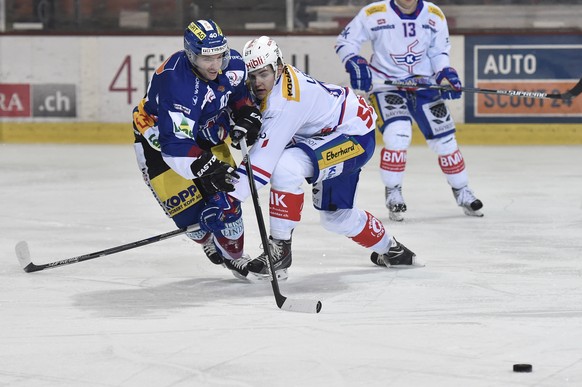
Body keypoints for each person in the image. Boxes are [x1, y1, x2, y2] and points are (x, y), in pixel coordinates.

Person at [224, 36, 422, 280]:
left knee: (285, 167)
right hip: (332, 133)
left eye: (263, 74)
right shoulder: (277, 83)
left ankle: (280, 250)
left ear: (278, 66)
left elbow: (262, 163)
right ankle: (392, 250)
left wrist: (228, 199)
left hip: (354, 136)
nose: (257, 82)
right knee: (336, 218)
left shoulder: (286, 102)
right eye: (252, 76)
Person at [131, 19, 262, 279]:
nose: (215, 65)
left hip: (207, 132)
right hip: (160, 141)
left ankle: (236, 258)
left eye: (219, 56)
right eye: (206, 59)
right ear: (191, 56)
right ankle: (206, 240)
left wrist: (246, 113)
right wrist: (208, 169)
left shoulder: (232, 64)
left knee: (228, 203)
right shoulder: (177, 86)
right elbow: (175, 144)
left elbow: (237, 95)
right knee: (193, 224)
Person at [335, 0, 483, 221]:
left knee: (446, 141)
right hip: (387, 86)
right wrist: (354, 60)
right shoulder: (374, 13)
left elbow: (439, 51)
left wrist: (445, 73)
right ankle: (393, 191)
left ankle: (462, 191)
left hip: (424, 85)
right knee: (398, 134)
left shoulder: (434, 14)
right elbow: (345, 41)